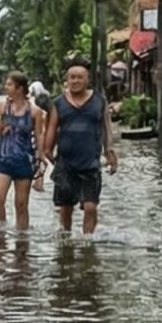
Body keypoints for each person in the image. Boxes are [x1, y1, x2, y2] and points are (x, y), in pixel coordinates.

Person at [48, 59, 117, 234]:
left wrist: (110, 152)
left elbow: (106, 129)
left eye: (80, 77)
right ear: (67, 80)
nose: (75, 81)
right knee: (65, 210)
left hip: (91, 164)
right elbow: (51, 130)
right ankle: (66, 241)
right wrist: (48, 154)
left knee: (91, 207)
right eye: (72, 77)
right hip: (66, 164)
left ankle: (88, 244)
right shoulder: (58, 103)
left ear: (87, 80)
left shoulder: (99, 101)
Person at [0, 70, 40, 228]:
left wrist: (40, 161)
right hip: (3, 160)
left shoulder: (34, 111)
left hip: (24, 161)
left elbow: (39, 137)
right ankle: (0, 231)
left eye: (9, 84)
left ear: (20, 88)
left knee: (21, 204)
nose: (6, 87)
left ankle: (22, 240)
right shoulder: (1, 107)